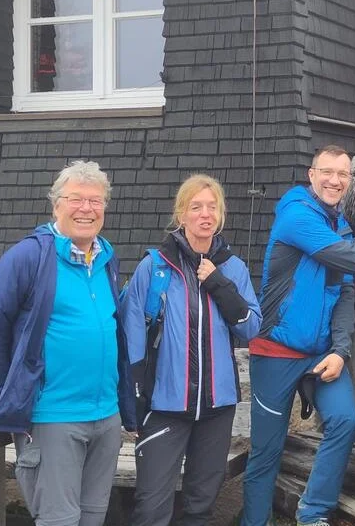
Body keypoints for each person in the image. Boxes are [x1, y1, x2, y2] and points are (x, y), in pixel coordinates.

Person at [241, 145, 355, 526]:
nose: (335, 180)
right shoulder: (296, 215)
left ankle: (312, 514)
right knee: (266, 452)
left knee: (344, 420)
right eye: (327, 172)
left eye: (343, 174)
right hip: (276, 349)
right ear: (311, 175)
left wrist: (341, 350)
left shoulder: (339, 226)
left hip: (321, 353)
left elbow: (345, 291)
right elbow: (353, 259)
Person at [0, 161, 135, 526]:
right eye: (76, 199)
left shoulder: (105, 258)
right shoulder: (29, 257)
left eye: (95, 201)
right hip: (53, 418)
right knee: (59, 521)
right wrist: (9, 396)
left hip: (105, 418)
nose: (86, 209)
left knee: (92, 519)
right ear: (56, 204)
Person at [121, 175, 263, 526]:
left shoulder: (233, 268)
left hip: (216, 408)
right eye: (195, 207)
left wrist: (217, 282)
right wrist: (134, 401)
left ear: (220, 214)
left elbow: (250, 327)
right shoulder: (154, 268)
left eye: (211, 207)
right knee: (152, 508)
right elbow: (131, 335)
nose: (205, 214)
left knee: (200, 508)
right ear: (181, 215)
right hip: (163, 406)